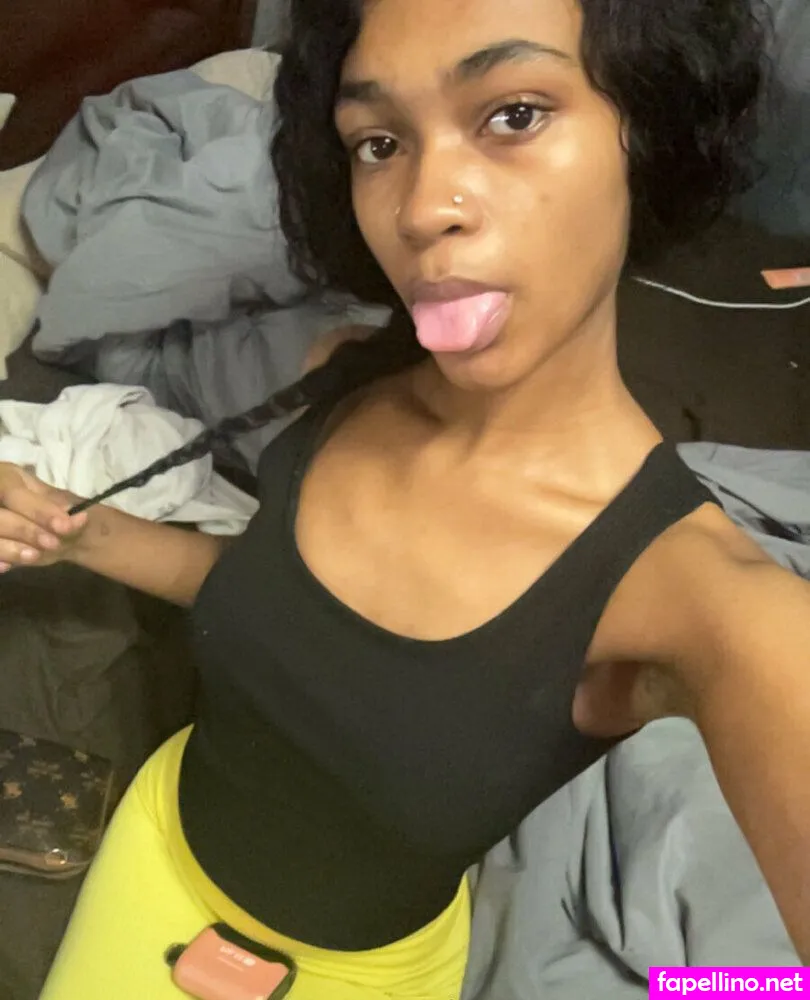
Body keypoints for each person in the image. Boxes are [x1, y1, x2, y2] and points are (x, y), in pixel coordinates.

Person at [2, 0, 807, 996]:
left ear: (645, 130)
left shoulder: (710, 602)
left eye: (513, 114)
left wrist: (724, 987)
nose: (422, 208)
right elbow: (270, 599)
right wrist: (73, 531)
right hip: (153, 844)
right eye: (379, 143)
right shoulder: (353, 376)